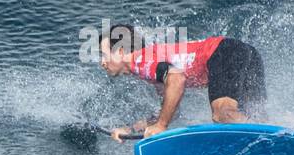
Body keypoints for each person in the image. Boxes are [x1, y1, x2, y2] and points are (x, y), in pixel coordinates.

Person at [99, 23, 266, 140]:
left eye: (104, 54)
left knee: (222, 114)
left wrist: (161, 126)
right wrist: (130, 130)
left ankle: (268, 140)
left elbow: (177, 79)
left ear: (120, 51)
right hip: (243, 52)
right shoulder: (152, 64)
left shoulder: (140, 60)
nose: (102, 62)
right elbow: (170, 112)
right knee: (254, 116)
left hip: (224, 52)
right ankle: (280, 135)